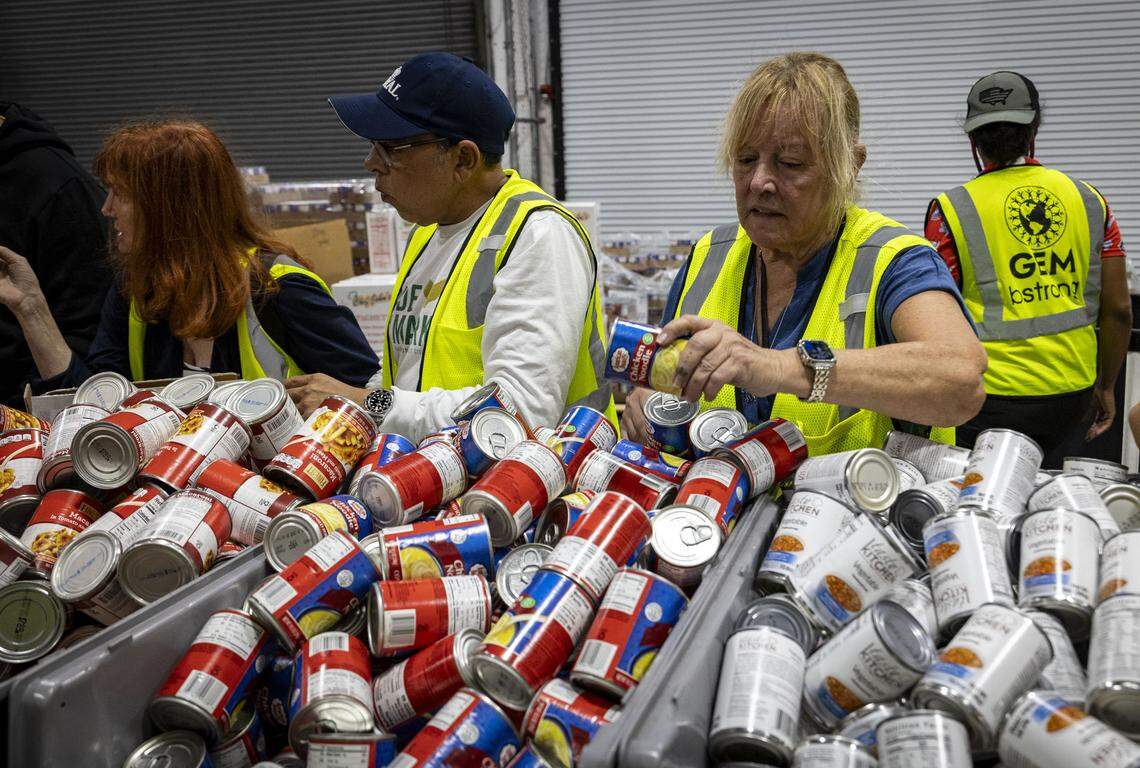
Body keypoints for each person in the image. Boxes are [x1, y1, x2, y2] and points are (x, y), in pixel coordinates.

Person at [622, 52, 987, 455]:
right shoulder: (708, 257)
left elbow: (961, 380)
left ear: (851, 166)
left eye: (790, 163)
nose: (760, 181)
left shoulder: (893, 262)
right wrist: (645, 401)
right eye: (745, 160)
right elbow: (665, 378)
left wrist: (777, 367)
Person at [285, 52, 615, 441]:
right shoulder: (427, 232)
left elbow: (519, 409)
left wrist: (366, 402)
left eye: (391, 148)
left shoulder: (538, 235)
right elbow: (413, 375)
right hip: (433, 475)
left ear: (463, 158)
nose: (371, 161)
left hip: (526, 486)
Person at [0, 120, 378, 390]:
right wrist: (30, 308)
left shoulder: (281, 289)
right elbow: (96, 407)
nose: (106, 208)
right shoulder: (135, 291)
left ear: (169, 208)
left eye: (121, 193)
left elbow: (369, 398)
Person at [927, 71, 1131, 466]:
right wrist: (1106, 387)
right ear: (1033, 129)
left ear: (974, 139)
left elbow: (940, 317)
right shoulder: (1090, 201)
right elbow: (1119, 309)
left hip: (989, 401)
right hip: (1071, 397)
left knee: (985, 503)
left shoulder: (949, 211)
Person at [0, 102, 113, 407]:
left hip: (29, 416)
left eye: (121, 194)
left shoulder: (53, 183)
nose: (109, 208)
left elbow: (88, 341)